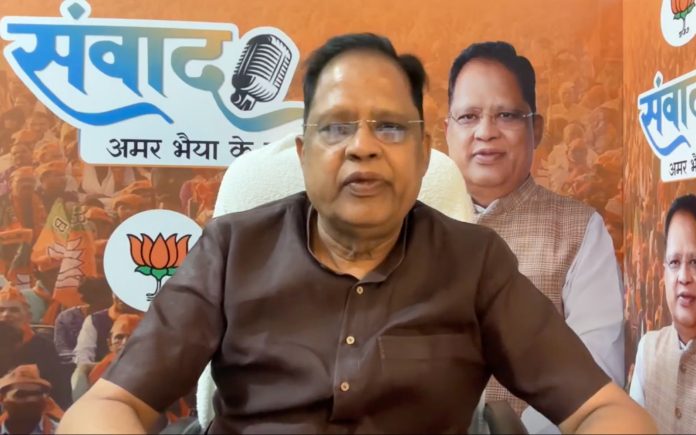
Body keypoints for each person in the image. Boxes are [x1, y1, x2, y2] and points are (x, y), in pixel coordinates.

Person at [58, 33, 655, 434]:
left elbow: (603, 410)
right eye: (337, 127)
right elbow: (109, 404)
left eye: (390, 128)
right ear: (303, 153)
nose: (363, 146)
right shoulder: (231, 249)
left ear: (422, 155)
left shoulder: (476, 263)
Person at [444, 41, 625, 433]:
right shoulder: (412, 227)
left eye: (506, 115)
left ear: (536, 129)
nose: (485, 132)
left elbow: (594, 378)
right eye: (469, 116)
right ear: (447, 131)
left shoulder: (579, 230)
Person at [629, 194, 696, 433]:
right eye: (675, 262)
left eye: (695, 262)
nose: (684, 277)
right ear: (664, 272)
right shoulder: (649, 350)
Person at [0, 283, 71, 409]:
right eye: (1, 310)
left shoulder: (45, 348)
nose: (6, 315)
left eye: (14, 310)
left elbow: (59, 393)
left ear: (28, 316)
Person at [0, 365, 63, 434]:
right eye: (21, 394)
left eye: (36, 394)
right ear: (2, 399)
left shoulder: (62, 431)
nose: (31, 399)